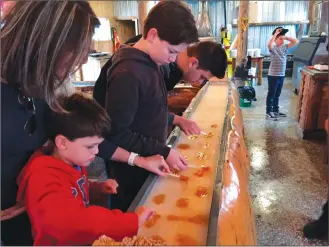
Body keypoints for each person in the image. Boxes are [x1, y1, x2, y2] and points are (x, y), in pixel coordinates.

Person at [0, 1, 168, 245]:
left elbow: (88, 137)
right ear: (45, 44)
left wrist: (137, 160)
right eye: (77, 53)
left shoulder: (43, 85)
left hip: (37, 214)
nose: (80, 62)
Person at [93, 0, 200, 211]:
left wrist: (174, 122)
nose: (172, 59)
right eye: (171, 51)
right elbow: (115, 132)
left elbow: (149, 110)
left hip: (149, 158)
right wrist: (163, 150)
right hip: (131, 167)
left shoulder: (152, 63)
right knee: (132, 211)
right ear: (152, 35)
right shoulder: (129, 73)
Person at [15, 94, 155, 246]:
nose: (96, 152)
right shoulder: (43, 177)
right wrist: (130, 221)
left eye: (98, 145)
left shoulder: (71, 162)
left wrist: (96, 189)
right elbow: (71, 222)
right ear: (62, 142)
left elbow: (71, 191)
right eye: (90, 146)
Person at [123, 36, 228, 91]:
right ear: (193, 63)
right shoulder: (158, 59)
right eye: (202, 77)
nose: (200, 82)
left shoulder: (176, 71)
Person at [266, 27, 298, 120]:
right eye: (280, 39)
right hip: (273, 75)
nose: (282, 41)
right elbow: (269, 44)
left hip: (281, 75)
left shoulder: (285, 47)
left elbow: (296, 41)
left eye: (282, 39)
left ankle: (275, 110)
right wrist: (275, 34)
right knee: (271, 94)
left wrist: (285, 37)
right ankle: (269, 111)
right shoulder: (273, 48)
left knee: (277, 94)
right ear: (275, 40)